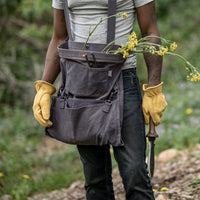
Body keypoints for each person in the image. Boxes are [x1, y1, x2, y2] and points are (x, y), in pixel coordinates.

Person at [33, 0, 167, 199]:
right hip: (80, 84)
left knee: (135, 173)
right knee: (95, 180)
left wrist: (153, 88)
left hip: (122, 80)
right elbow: (60, 37)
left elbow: (149, 31)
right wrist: (45, 86)